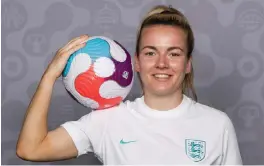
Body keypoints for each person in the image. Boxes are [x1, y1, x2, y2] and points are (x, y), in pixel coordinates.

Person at [16, 5, 242, 165]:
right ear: (136, 62)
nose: (162, 63)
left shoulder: (217, 125)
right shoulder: (107, 120)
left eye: (174, 53)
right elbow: (31, 149)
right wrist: (50, 76)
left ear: (187, 64)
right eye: (150, 52)